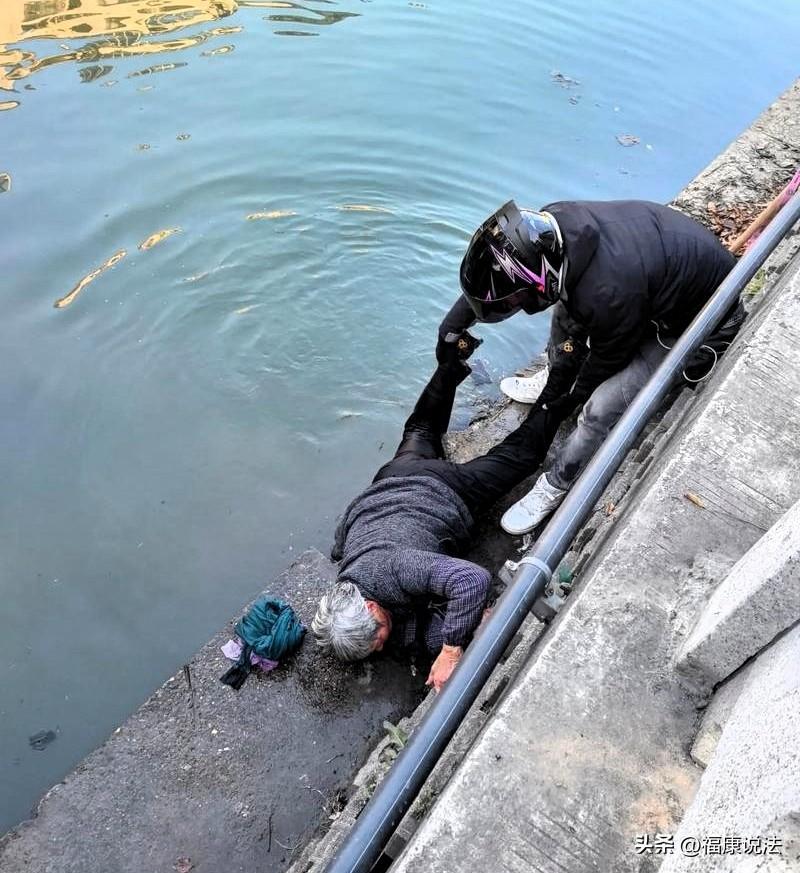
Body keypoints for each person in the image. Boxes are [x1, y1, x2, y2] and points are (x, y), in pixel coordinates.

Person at [438, 199, 744, 535]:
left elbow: (605, 359)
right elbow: (496, 276)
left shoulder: (607, 292)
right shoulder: (549, 229)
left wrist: (564, 397)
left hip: (698, 325)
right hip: (648, 293)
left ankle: (557, 483)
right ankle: (553, 373)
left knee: (598, 408)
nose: (515, 304)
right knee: (566, 315)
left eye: (515, 300)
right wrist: (453, 327)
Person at [312, 337, 562, 691]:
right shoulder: (349, 587)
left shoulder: (395, 569)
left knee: (522, 454)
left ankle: (561, 384)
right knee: (420, 431)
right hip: (388, 481)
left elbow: (471, 581)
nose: (381, 646)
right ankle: (452, 358)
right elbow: (343, 541)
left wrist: (451, 649)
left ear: (369, 608)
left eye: (378, 638)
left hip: (443, 491)